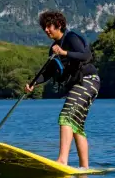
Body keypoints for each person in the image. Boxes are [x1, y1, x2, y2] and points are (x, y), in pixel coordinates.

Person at [26, 10, 99, 169]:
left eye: (48, 26)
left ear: (58, 25)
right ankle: (84, 169)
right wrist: (33, 83)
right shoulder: (53, 48)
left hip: (87, 80)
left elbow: (86, 56)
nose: (46, 30)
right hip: (81, 84)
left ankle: (62, 160)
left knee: (65, 117)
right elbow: (48, 73)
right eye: (43, 27)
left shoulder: (71, 38)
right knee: (76, 125)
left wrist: (64, 52)